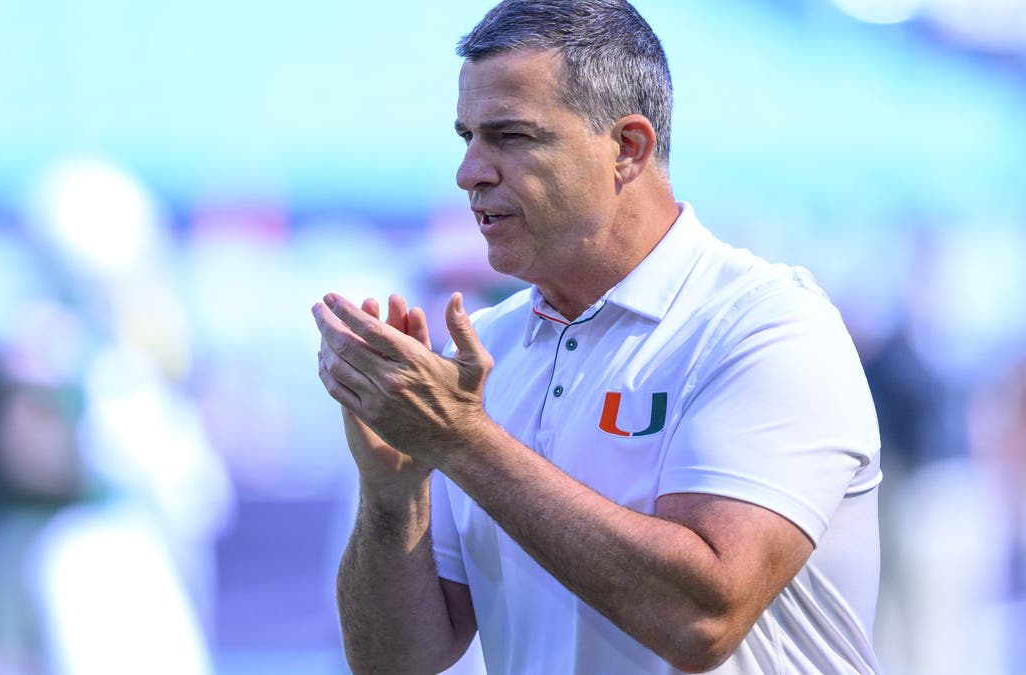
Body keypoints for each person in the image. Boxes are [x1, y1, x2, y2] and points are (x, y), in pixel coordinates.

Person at [312, 1, 882, 673]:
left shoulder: (765, 326)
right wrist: (392, 489)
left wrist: (462, 441)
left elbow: (703, 618)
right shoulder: (486, 353)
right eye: (467, 136)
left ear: (628, 149)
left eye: (511, 136)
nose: (469, 171)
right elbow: (393, 662)